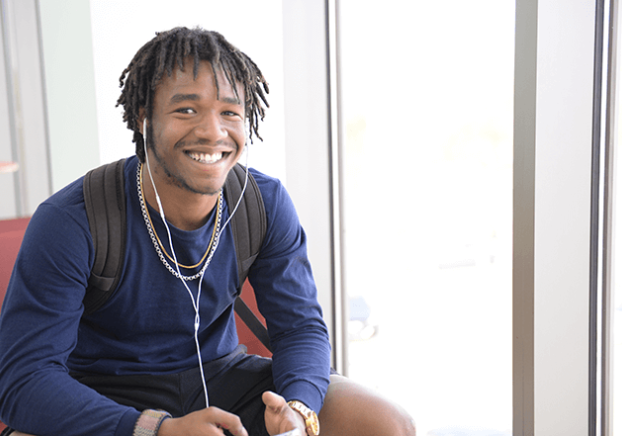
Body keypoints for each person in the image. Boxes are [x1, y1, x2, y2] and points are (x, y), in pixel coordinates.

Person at [0, 27, 415, 436]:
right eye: (186, 110)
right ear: (145, 119)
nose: (213, 132)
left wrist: (297, 405)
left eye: (230, 112)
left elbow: (300, 328)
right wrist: (156, 430)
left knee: (387, 422)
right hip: (106, 397)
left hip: (226, 382)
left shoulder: (262, 202)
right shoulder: (73, 218)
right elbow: (24, 380)